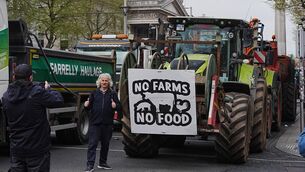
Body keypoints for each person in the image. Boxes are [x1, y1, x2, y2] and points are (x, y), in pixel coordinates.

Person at [2, 64, 64, 172]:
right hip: (37, 149)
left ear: (13, 77)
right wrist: (47, 89)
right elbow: (58, 100)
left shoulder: (6, 96)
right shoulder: (37, 93)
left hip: (16, 148)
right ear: (30, 77)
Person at [84, 73, 121, 172]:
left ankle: (102, 163)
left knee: (105, 144)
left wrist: (115, 106)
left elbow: (119, 106)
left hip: (107, 123)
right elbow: (88, 107)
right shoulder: (94, 93)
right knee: (92, 144)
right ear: (99, 82)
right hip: (95, 123)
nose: (104, 82)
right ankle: (90, 165)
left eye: (106, 81)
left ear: (109, 82)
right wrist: (86, 105)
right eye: (103, 80)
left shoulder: (112, 94)